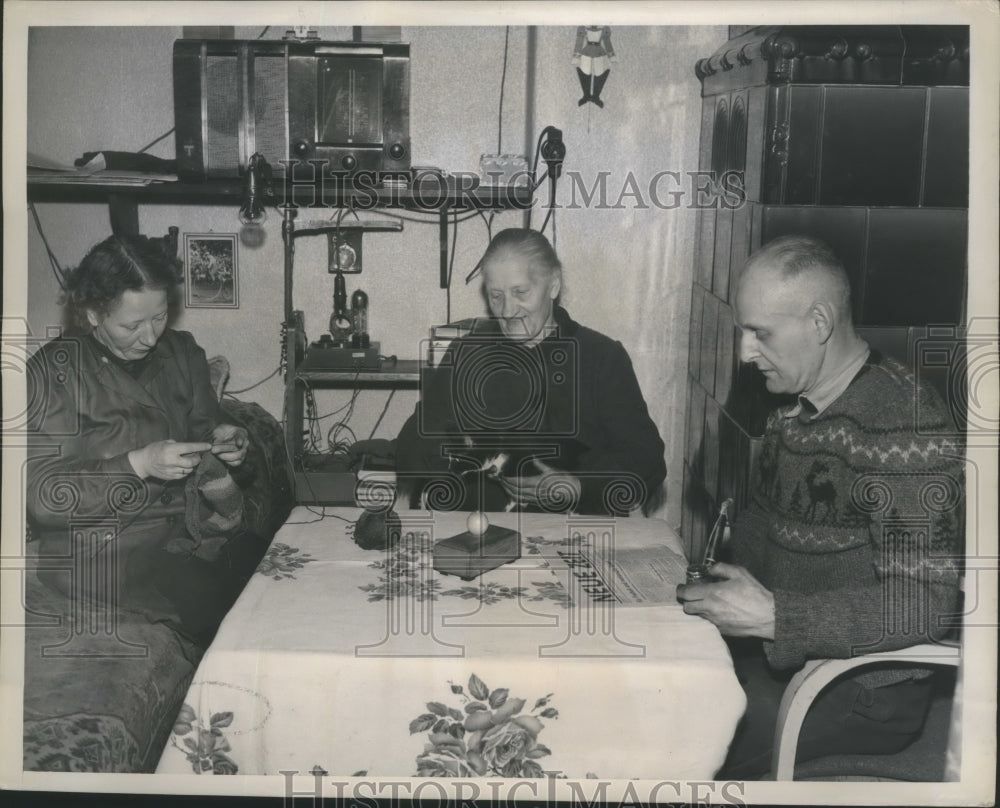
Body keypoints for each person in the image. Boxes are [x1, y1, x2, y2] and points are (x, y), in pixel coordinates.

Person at [676, 235, 964, 778]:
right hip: (785, 661)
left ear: (819, 322)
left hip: (857, 691)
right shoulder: (791, 408)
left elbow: (925, 603)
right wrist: (696, 580)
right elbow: (764, 532)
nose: (745, 352)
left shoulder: (904, 419)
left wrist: (778, 617)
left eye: (760, 333)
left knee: (677, 745)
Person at [26, 233, 267, 649]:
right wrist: (138, 464)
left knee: (272, 578)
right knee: (230, 615)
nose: (151, 337)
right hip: (105, 553)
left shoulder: (181, 352)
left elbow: (205, 431)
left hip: (186, 534)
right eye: (132, 325)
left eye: (159, 317)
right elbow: (45, 498)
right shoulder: (54, 372)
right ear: (92, 314)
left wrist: (230, 442)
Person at [396, 228, 666, 516]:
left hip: (573, 536)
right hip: (477, 537)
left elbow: (646, 460)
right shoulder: (465, 353)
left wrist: (578, 486)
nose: (508, 310)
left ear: (553, 285)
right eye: (496, 296)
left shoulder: (601, 358)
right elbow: (418, 441)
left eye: (521, 293)